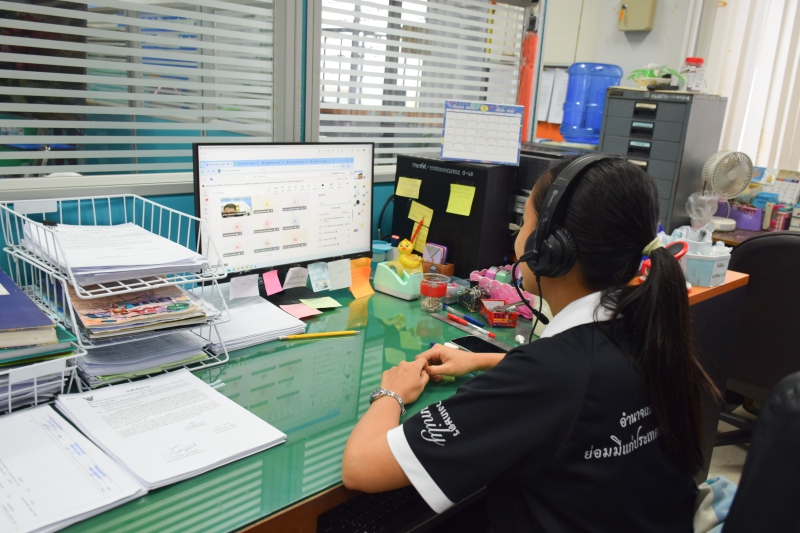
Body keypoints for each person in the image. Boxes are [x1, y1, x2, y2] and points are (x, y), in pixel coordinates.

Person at [342, 157, 718, 532]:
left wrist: (391, 393)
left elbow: (360, 467)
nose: (519, 237)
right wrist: (486, 361)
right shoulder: (647, 326)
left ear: (549, 248)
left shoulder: (548, 377)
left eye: (525, 223)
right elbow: (582, 386)